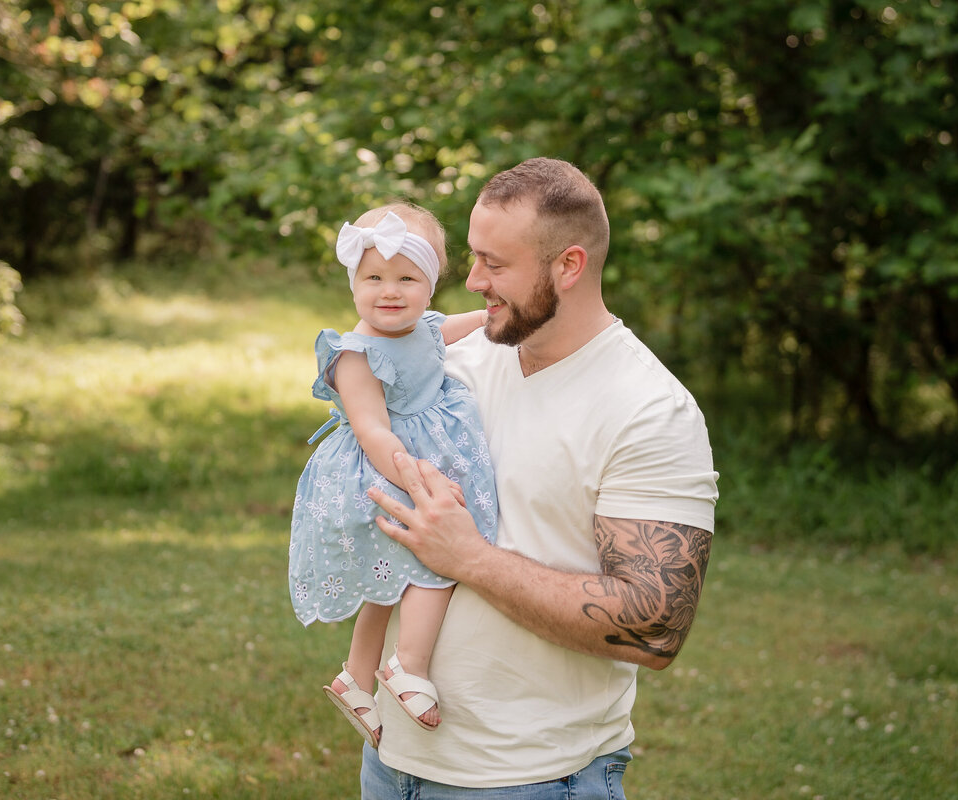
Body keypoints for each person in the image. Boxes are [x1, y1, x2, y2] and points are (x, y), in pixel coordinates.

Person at [360, 158, 719, 798]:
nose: (472, 281)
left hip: (528, 780)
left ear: (569, 266)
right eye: (472, 258)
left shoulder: (648, 410)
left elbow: (656, 626)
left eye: (495, 265)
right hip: (392, 761)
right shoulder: (454, 364)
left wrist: (469, 557)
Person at [288, 202, 499, 749]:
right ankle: (408, 665)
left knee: (389, 576)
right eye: (373, 277)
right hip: (384, 467)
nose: (390, 291)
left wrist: (486, 317)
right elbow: (374, 434)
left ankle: (356, 676)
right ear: (353, 281)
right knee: (436, 562)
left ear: (430, 286)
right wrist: (420, 476)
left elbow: (445, 331)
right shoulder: (354, 354)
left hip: (413, 460)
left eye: (407, 278)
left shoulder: (422, 326)